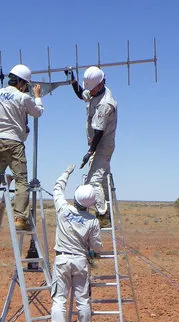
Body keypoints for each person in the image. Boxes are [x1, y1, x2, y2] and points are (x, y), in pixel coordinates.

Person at [0, 64, 43, 231]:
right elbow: (38, 112)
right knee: (21, 180)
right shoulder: (24, 98)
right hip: (14, 143)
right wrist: (37, 96)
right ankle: (20, 218)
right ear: (22, 83)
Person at [49, 164, 102, 322]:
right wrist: (94, 253)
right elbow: (96, 246)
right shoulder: (93, 221)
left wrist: (66, 173)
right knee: (83, 299)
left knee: (59, 299)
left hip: (62, 259)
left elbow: (57, 188)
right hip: (80, 261)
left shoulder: (63, 209)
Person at [65, 66, 117, 228]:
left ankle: (103, 215)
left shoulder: (105, 104)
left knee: (92, 182)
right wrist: (72, 80)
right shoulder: (95, 92)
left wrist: (90, 152)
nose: (90, 92)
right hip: (96, 145)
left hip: (102, 146)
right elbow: (82, 94)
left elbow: (99, 132)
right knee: (102, 181)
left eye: (92, 89)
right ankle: (106, 212)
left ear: (100, 85)